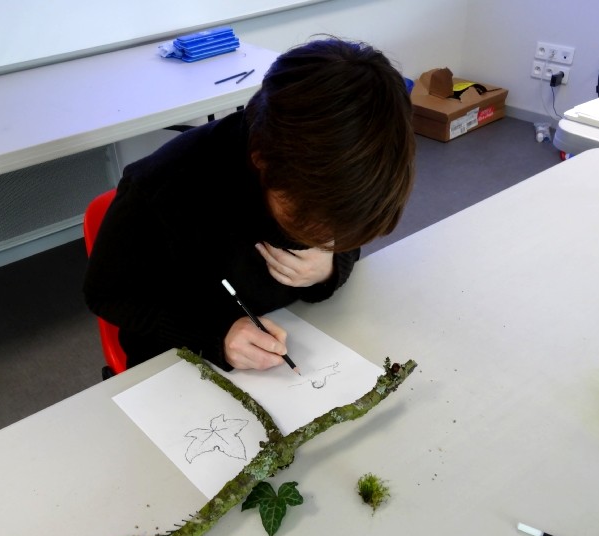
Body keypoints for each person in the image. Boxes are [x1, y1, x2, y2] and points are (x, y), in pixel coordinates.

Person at [84, 36, 416, 372]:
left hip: (299, 337)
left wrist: (330, 267)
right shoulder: (162, 189)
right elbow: (107, 294)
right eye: (310, 225)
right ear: (262, 160)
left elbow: (346, 234)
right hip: (180, 362)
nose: (325, 237)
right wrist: (215, 334)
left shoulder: (347, 178)